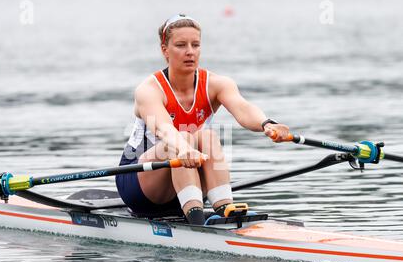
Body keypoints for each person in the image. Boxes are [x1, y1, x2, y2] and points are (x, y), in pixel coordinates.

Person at [116, 14, 290, 225]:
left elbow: (243, 109)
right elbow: (164, 129)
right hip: (139, 183)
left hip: (187, 180)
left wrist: (267, 124)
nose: (190, 51)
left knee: (207, 136)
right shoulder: (149, 90)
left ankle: (224, 208)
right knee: (183, 138)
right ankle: (196, 221)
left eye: (195, 45)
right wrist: (183, 148)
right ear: (165, 50)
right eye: (181, 45)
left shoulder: (217, 84)